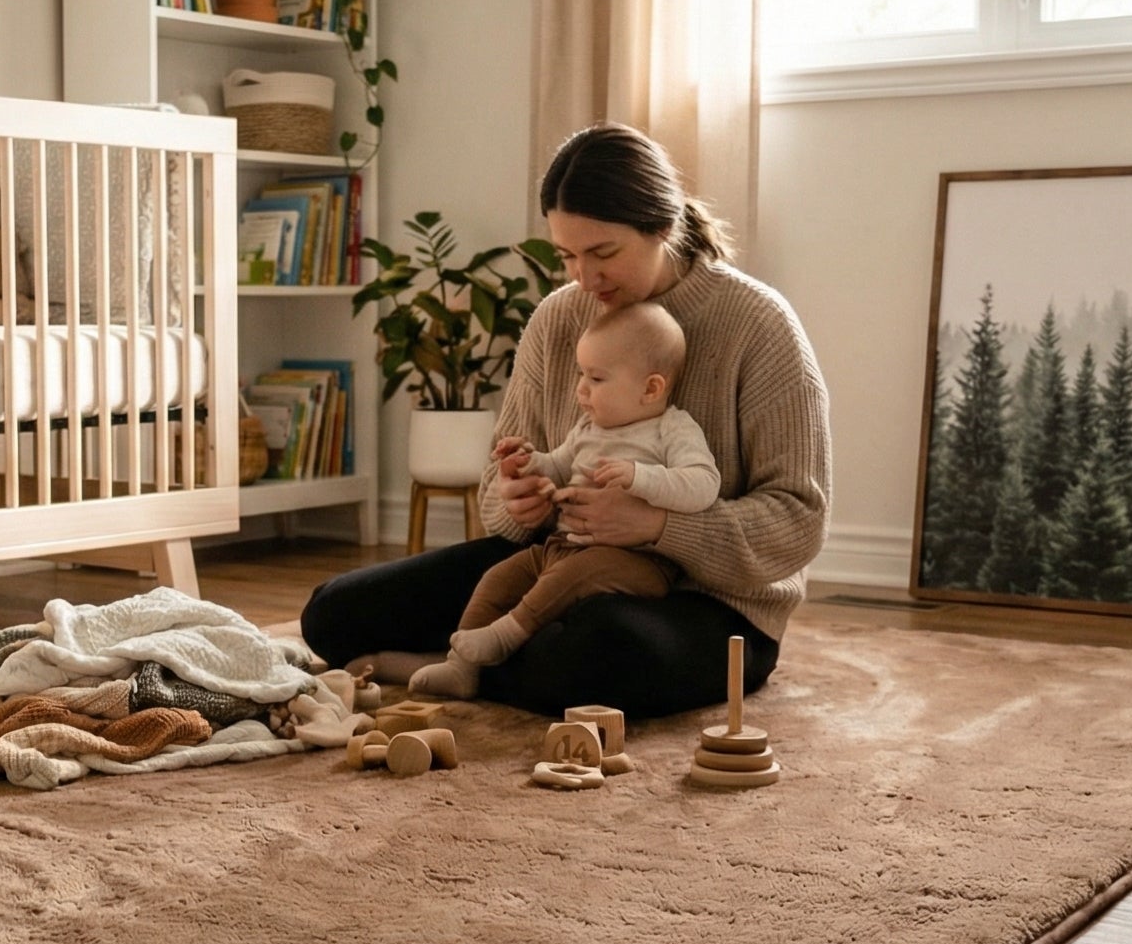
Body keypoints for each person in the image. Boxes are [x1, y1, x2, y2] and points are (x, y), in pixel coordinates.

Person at [301, 123, 831, 720]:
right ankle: (486, 660)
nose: (584, 277)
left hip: (710, 602)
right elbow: (498, 496)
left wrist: (659, 526)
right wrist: (519, 498)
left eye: (604, 253)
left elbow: (798, 519)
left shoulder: (759, 325)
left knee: (594, 651)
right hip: (554, 561)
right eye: (567, 256)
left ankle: (458, 660)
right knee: (332, 614)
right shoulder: (557, 320)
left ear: (662, 227)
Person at [406, 301, 718, 699]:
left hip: (637, 561)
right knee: (498, 577)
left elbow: (703, 483)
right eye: (580, 374)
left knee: (576, 577)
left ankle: (506, 635)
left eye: (596, 378)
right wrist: (529, 463)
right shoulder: (589, 426)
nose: (581, 389)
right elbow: (558, 465)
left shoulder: (671, 428)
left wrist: (641, 477)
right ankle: (461, 667)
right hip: (562, 547)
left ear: (651, 388)